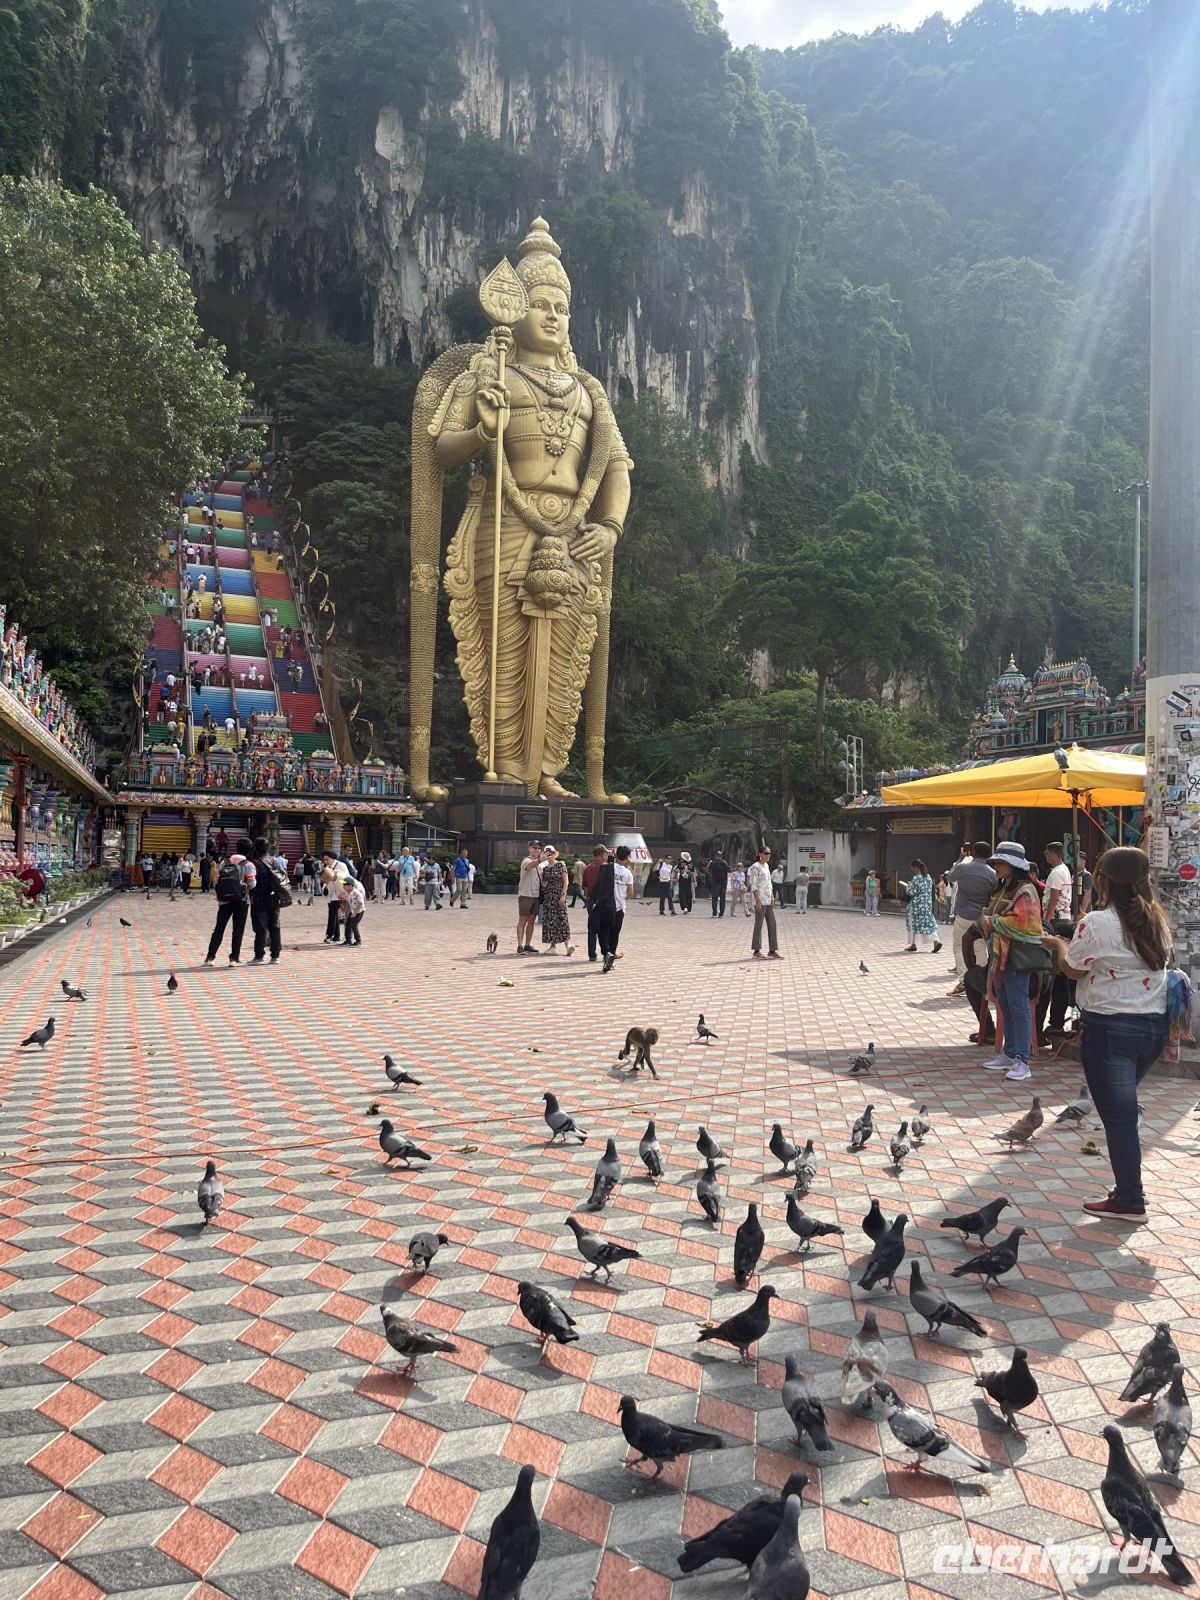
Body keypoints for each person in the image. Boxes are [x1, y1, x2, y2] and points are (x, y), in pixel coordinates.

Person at [1042, 847, 1171, 1218]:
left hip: (1111, 1030)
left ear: (1104, 881)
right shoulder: (1157, 919)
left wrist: (1057, 945)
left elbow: (1074, 970)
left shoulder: (1097, 922)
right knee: (1123, 1111)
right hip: (1153, 1029)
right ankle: (1126, 1191)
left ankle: (1130, 1199)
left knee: (1119, 1120)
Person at [978, 841, 1048, 1083]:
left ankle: (1022, 1060)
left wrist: (991, 921)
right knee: (1006, 1005)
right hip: (1001, 957)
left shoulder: (1026, 889)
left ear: (1013, 865)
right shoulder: (1003, 887)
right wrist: (990, 919)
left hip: (1017, 956)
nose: (996, 866)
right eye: (996, 862)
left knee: (1018, 1008)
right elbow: (989, 912)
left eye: (1001, 862)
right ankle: (1009, 1054)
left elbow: (1024, 924)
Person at [946, 842, 999, 997]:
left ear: (973, 852)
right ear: (990, 855)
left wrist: (959, 860)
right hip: (981, 917)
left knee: (958, 946)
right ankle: (982, 982)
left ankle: (964, 980)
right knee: (980, 948)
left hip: (963, 914)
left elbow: (950, 876)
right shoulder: (992, 874)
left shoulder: (963, 867)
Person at [205, 838, 255, 965]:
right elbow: (252, 883)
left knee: (219, 928)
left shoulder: (224, 862)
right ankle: (234, 958)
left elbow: (218, 879)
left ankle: (210, 957)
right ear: (249, 850)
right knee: (238, 929)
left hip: (225, 900)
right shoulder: (249, 865)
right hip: (241, 900)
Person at [597, 844, 634, 972]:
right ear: (628, 857)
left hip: (606, 905)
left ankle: (607, 953)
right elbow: (630, 893)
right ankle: (611, 956)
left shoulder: (608, 868)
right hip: (620, 907)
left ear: (616, 854)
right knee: (615, 933)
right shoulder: (628, 873)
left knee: (603, 930)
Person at [249, 836, 283, 964]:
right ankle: (275, 955)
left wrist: (251, 895)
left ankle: (259, 956)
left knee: (261, 928)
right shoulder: (274, 861)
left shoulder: (254, 862)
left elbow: (252, 882)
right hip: (274, 898)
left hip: (259, 899)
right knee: (274, 926)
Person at [747, 845, 782, 959]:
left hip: (768, 898)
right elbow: (753, 884)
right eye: (766, 853)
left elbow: (768, 883)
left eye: (769, 853)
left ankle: (772, 950)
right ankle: (756, 950)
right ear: (760, 854)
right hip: (760, 899)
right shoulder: (754, 867)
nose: (768, 856)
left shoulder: (766, 866)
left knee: (772, 923)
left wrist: (772, 897)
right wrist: (757, 900)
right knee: (759, 924)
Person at [902, 860, 942, 954]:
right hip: (927, 904)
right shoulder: (928, 877)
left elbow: (911, 892)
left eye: (912, 868)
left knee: (913, 924)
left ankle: (913, 944)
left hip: (916, 905)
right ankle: (936, 942)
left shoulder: (916, 878)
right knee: (928, 923)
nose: (912, 870)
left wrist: (908, 886)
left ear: (916, 867)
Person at [540, 846, 574, 954]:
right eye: (547, 853)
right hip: (548, 897)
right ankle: (552, 946)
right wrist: (543, 885)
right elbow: (543, 883)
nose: (549, 855)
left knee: (562, 919)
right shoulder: (544, 868)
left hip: (558, 896)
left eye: (551, 853)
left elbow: (566, 881)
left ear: (555, 854)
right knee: (550, 921)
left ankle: (568, 945)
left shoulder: (560, 865)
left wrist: (563, 895)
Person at [582, 844, 609, 962]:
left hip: (591, 901)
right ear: (602, 855)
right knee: (604, 928)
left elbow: (586, 887)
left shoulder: (588, 868)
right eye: (606, 853)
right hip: (604, 901)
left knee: (592, 929)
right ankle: (606, 953)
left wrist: (588, 899)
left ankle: (592, 954)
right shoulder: (607, 867)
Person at [516, 843, 544, 953]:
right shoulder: (527, 860)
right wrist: (541, 860)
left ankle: (527, 944)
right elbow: (530, 866)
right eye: (534, 848)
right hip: (525, 895)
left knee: (532, 921)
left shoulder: (541, 864)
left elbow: (541, 876)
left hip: (536, 896)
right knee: (523, 920)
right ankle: (520, 945)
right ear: (529, 849)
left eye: (538, 848)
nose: (536, 850)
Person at [321, 850, 351, 942]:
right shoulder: (327, 867)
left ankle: (330, 935)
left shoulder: (341, 865)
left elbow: (346, 879)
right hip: (331, 893)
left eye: (327, 859)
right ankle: (336, 936)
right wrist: (324, 887)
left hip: (340, 893)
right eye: (324, 860)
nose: (325, 862)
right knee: (334, 914)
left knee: (332, 913)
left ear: (332, 858)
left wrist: (343, 893)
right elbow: (326, 879)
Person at [1042, 841, 1072, 924]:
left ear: (1053, 854)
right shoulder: (1064, 869)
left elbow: (1054, 898)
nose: (1045, 856)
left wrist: (1047, 921)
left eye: (1046, 853)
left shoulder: (1057, 872)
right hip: (1063, 916)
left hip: (1056, 918)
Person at [340, 874, 366, 947]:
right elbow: (348, 901)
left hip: (359, 911)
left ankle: (358, 941)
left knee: (354, 925)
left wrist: (355, 912)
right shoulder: (347, 893)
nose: (343, 887)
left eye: (345, 885)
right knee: (347, 924)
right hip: (352, 911)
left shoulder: (357, 894)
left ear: (350, 886)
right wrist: (343, 907)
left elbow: (360, 904)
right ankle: (348, 940)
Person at [707, 850, 729, 917]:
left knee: (715, 898)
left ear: (715, 855)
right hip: (723, 883)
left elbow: (707, 869)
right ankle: (721, 913)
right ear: (722, 856)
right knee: (722, 898)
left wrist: (709, 863)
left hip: (715, 882)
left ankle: (714, 913)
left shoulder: (713, 863)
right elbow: (729, 870)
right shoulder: (725, 863)